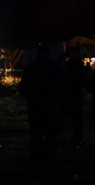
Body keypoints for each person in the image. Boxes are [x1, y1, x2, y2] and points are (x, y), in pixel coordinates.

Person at [20, 44, 64, 176]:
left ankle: (37, 158)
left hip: (35, 104)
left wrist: (30, 96)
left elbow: (23, 86)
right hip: (49, 104)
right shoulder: (53, 67)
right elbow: (61, 84)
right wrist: (55, 96)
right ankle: (50, 158)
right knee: (50, 132)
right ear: (49, 53)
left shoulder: (31, 68)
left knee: (36, 132)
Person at [61, 47, 88, 147]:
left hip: (71, 92)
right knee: (77, 117)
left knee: (70, 116)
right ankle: (78, 136)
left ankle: (74, 136)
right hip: (76, 92)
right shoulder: (78, 63)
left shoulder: (71, 63)